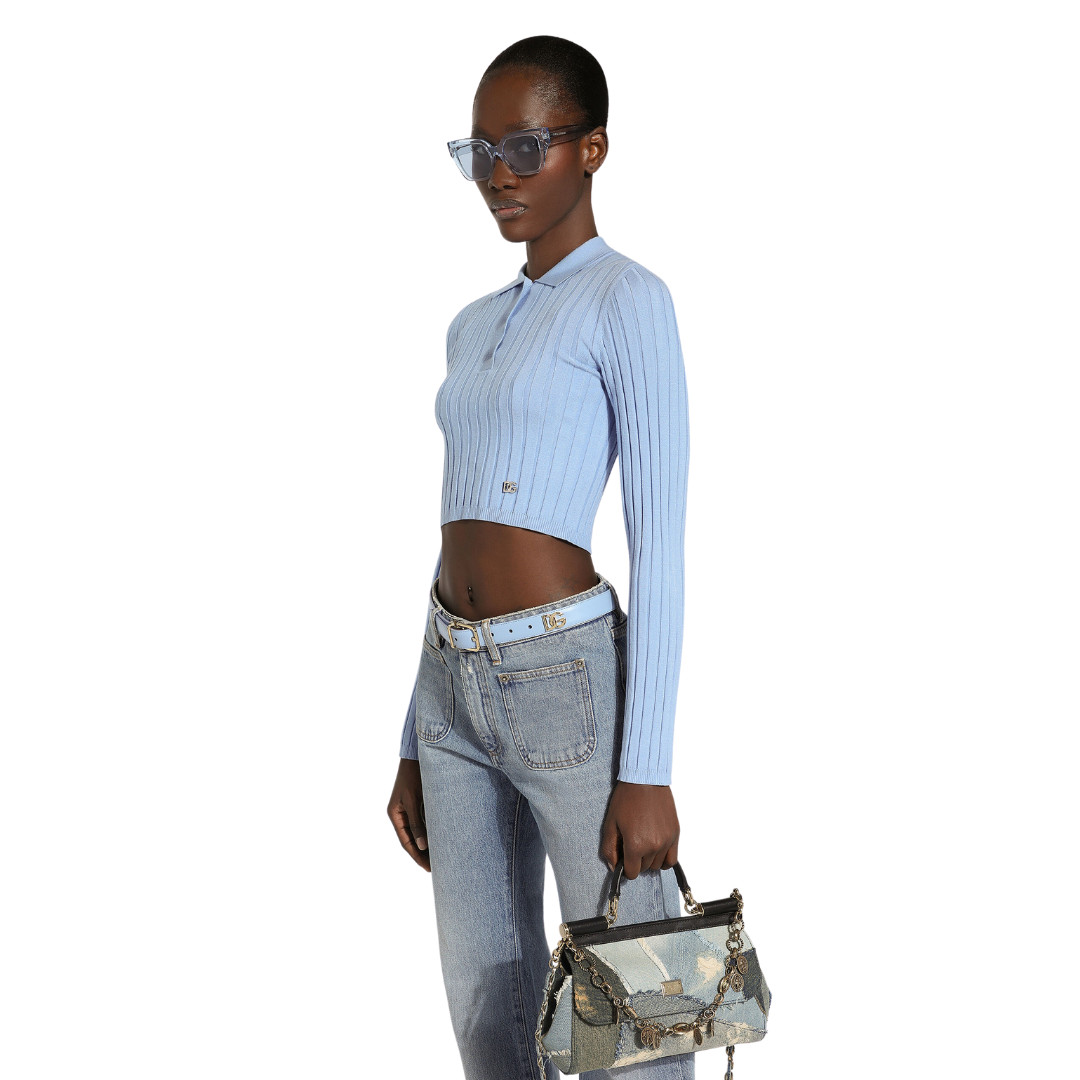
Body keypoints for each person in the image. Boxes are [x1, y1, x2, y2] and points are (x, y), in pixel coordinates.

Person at [386, 35, 693, 1080]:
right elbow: (453, 523)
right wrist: (416, 734)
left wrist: (646, 770)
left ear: (591, 148)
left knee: (634, 1013)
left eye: (526, 146)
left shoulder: (628, 299)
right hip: (450, 684)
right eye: (480, 152)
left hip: (566, 679)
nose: (499, 175)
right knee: (489, 1014)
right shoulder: (471, 325)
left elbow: (661, 543)